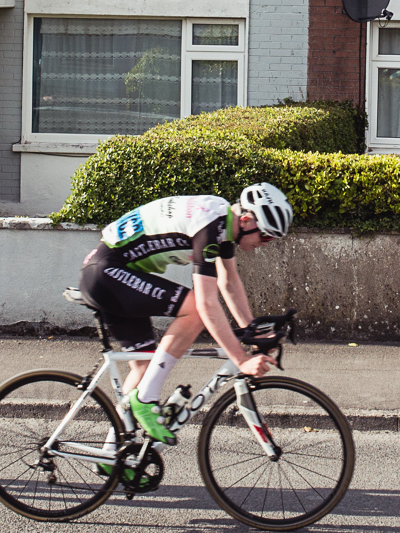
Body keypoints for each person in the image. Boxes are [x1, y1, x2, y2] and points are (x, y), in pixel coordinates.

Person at [77, 183, 294, 444]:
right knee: (195, 309)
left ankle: (113, 453)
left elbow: (229, 282)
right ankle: (146, 400)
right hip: (107, 274)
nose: (265, 244)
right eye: (266, 236)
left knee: (146, 365)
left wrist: (252, 330)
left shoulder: (224, 222)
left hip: (113, 273)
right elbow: (206, 303)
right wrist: (241, 359)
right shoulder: (211, 225)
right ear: (247, 220)